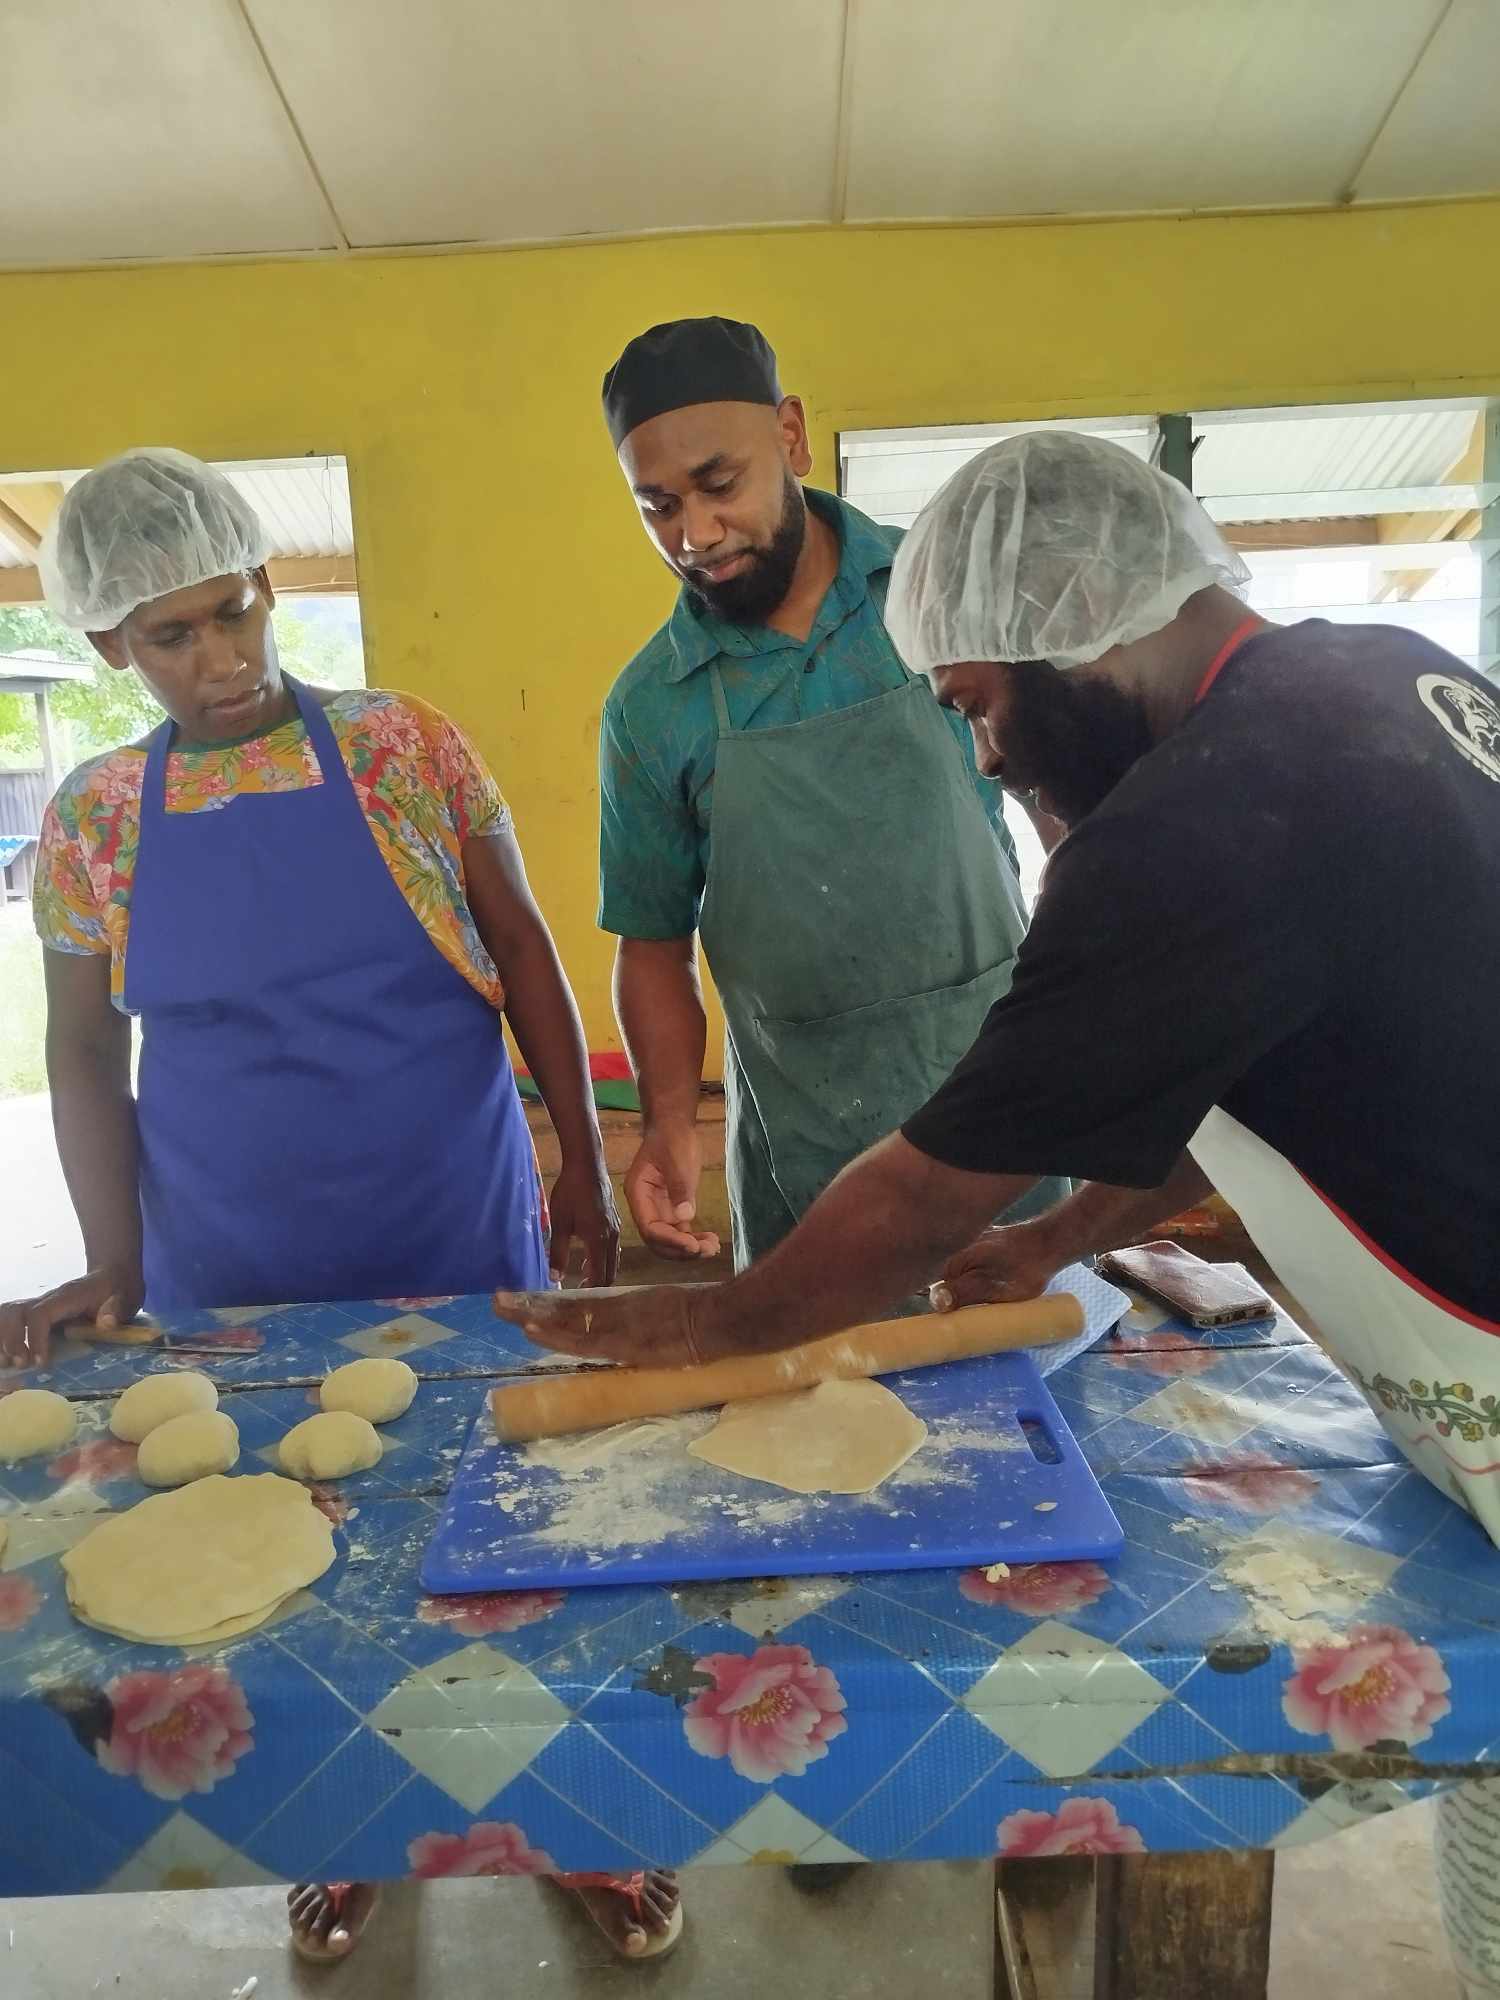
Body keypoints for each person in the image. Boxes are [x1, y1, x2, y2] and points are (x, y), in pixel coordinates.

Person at [502, 429, 1500, 1997]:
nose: (980, 758)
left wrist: (693, 1320)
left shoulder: (1197, 821)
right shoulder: (1372, 673)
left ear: (1072, 623)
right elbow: (1280, 1066)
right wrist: (1056, 1240)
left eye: (974, 703)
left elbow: (915, 1196)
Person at [0, 448, 677, 1965]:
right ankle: (351, 1830)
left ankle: (582, 1819)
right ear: (111, 646)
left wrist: (577, 1162)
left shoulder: (402, 749)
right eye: (172, 635)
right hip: (231, 1244)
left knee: (506, 1535)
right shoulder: (99, 821)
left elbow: (523, 958)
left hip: (445, 1207)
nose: (222, 659)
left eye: (236, 612)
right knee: (277, 1569)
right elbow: (80, 1048)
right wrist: (110, 1262)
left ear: (269, 584)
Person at [597, 316, 1064, 1273]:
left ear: (793, 436)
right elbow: (652, 948)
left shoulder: (937, 594)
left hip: (1000, 1098)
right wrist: (669, 1125)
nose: (695, 534)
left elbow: (1067, 807)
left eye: (719, 484)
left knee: (1024, 1382)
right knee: (816, 1403)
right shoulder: (652, 707)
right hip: (808, 1143)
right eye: (657, 506)